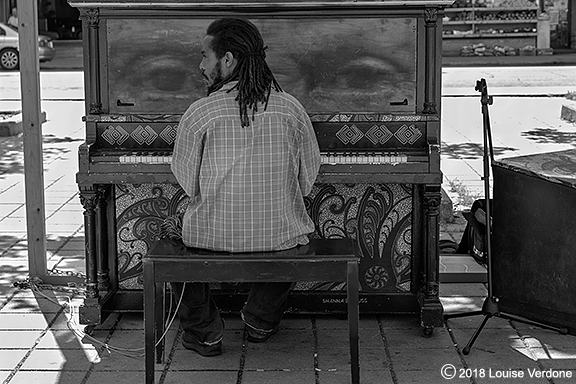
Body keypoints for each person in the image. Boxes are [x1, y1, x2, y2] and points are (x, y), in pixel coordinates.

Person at [167, 18, 321, 357]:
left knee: (170, 238)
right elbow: (308, 180)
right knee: (296, 231)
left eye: (205, 56)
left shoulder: (199, 113)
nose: (200, 64)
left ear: (228, 59)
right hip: (278, 237)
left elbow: (189, 184)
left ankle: (204, 332)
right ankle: (260, 320)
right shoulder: (291, 108)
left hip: (211, 237)